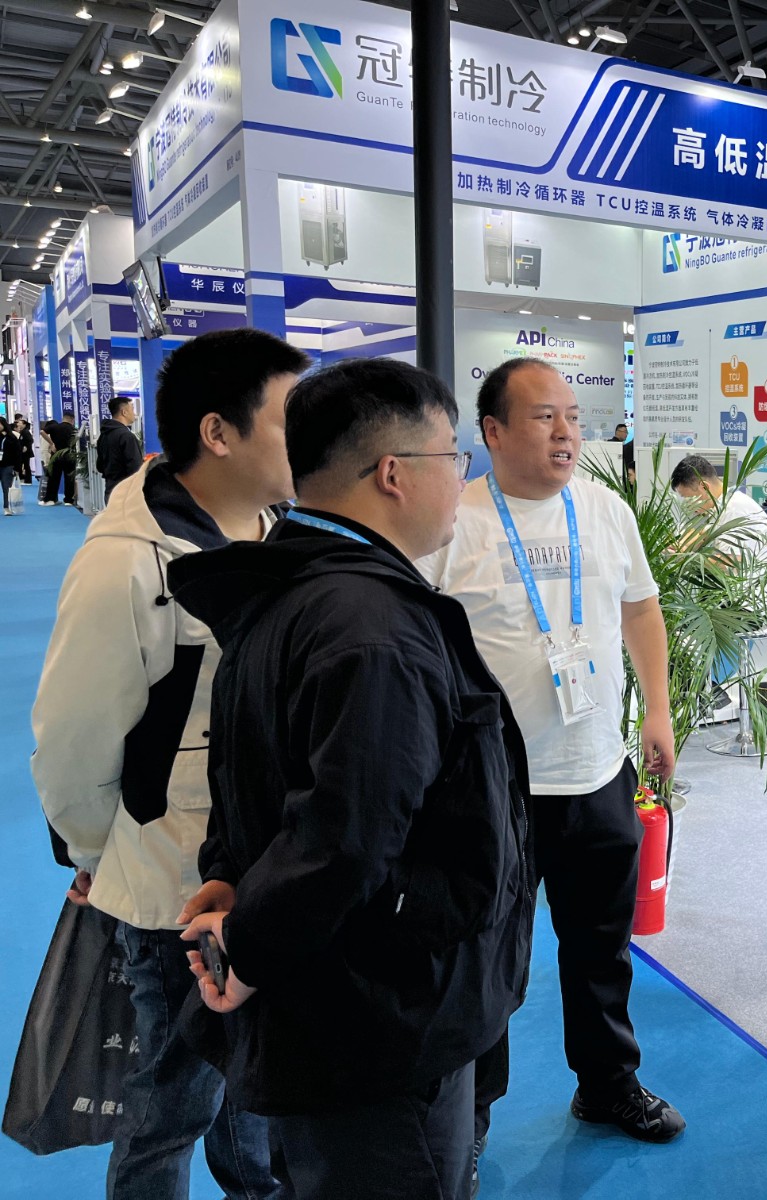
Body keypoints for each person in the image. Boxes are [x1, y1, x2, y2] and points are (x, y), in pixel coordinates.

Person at [171, 357, 533, 1200]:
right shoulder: (373, 629)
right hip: (381, 1019)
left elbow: (256, 766)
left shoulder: (288, 586)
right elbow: (346, 834)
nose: (463, 481)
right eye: (454, 457)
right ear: (393, 473)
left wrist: (230, 873)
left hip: (337, 1002)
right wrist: (252, 947)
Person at [30, 328, 307, 1199]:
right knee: (171, 1101)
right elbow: (73, 740)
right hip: (167, 884)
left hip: (263, 871)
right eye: (291, 419)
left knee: (255, 1084)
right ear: (218, 432)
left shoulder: (280, 533)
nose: (312, 438)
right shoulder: (125, 563)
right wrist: (95, 853)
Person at [423, 358, 684, 1157]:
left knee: (601, 947)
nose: (567, 431)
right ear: (493, 432)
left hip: (596, 770)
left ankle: (607, 1084)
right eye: (544, 416)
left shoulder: (604, 509)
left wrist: (658, 711)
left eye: (572, 415)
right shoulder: (454, 523)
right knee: (485, 958)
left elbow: (641, 609)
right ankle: (470, 1121)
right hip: (491, 789)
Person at [97, 397, 145, 497]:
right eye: (132, 409)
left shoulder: (104, 435)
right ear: (124, 412)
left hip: (110, 489)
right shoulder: (126, 436)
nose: (134, 413)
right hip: (126, 492)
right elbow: (135, 467)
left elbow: (100, 466)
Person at [40, 412, 76, 506]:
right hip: (69, 456)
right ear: (72, 420)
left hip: (56, 455)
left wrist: (52, 443)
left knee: (53, 478)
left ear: (63, 418)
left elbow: (42, 432)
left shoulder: (55, 427)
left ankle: (50, 499)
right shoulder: (73, 429)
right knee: (69, 478)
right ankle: (68, 500)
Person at [0, 419, 24, 515]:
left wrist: (17, 468)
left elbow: (18, 454)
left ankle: (7, 508)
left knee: (6, 488)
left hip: (7, 466)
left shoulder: (12, 437)